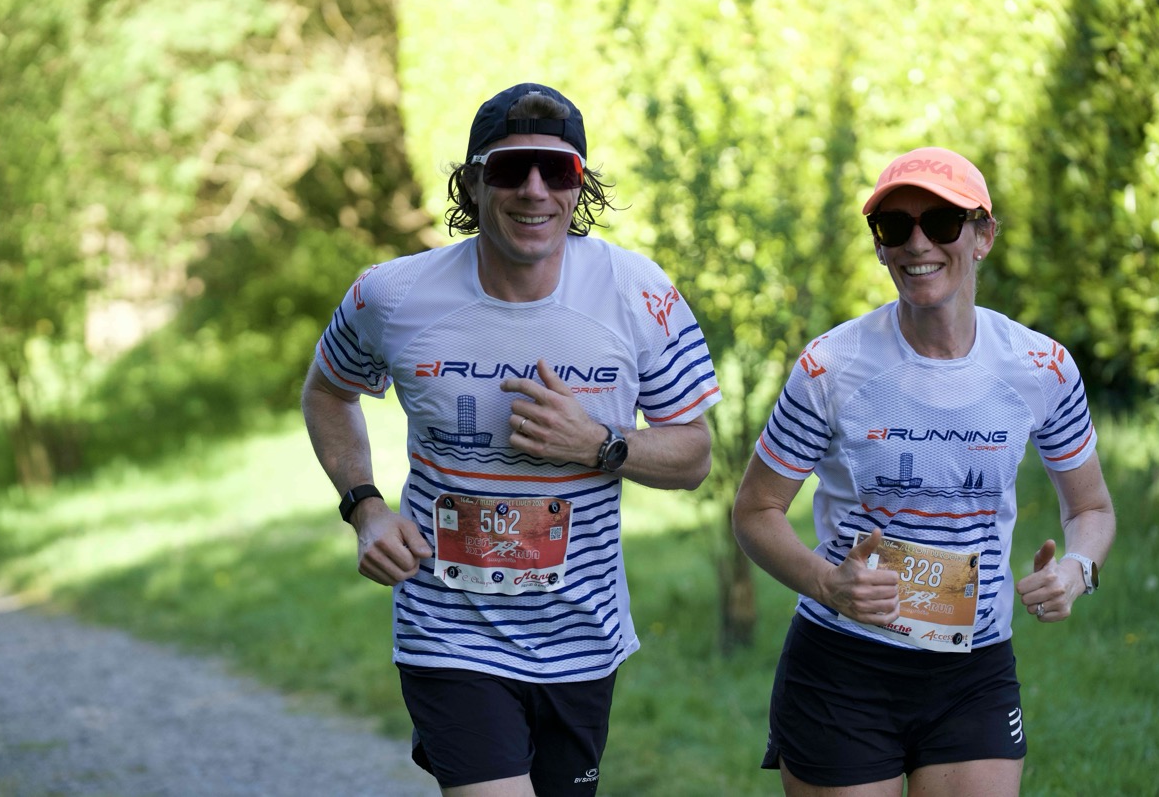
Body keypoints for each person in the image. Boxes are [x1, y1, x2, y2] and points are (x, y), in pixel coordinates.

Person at [301, 82, 722, 796]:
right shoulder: (393, 295)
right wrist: (364, 506)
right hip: (447, 630)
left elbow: (695, 455)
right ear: (472, 183)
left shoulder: (635, 292)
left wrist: (599, 444)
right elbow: (328, 390)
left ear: (578, 185)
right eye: (509, 169)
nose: (534, 190)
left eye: (556, 170)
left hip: (582, 637)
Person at [731, 146, 1116, 796]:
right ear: (879, 247)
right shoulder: (831, 366)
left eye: (941, 222)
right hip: (843, 666)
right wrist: (829, 583)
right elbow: (754, 512)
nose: (917, 243)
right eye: (894, 226)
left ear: (983, 235)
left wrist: (1078, 569)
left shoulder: (1041, 367)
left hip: (975, 670)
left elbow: (1092, 509)